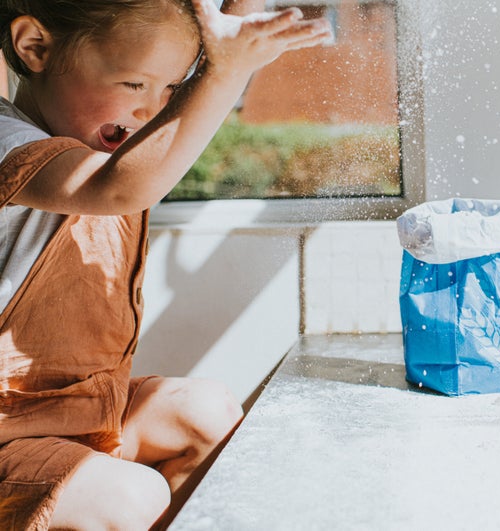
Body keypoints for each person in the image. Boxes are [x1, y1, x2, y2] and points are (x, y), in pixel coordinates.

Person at [0, 0, 331, 528]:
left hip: (80, 416)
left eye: (173, 90)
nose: (154, 111)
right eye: (134, 85)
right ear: (34, 47)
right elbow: (118, 188)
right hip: (9, 437)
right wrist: (229, 68)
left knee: (207, 415)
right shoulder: (8, 141)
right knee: (128, 498)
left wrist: (233, 34)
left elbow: (177, 118)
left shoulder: (112, 142)